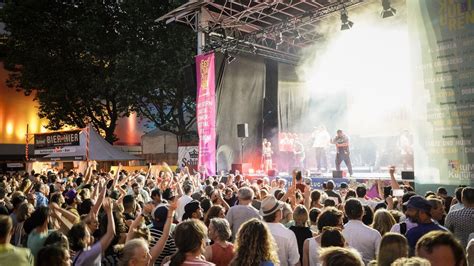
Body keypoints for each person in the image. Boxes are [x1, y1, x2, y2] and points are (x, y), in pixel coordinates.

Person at [68, 198, 116, 266]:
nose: (89, 232)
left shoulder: (76, 255)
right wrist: (109, 211)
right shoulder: (89, 254)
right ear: (84, 239)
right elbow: (110, 234)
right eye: (87, 231)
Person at [260, 196, 299, 266]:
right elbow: (295, 262)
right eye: (280, 208)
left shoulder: (256, 231)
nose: (282, 210)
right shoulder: (288, 234)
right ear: (278, 213)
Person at [342, 198, 381, 264]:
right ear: (362, 212)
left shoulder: (339, 232)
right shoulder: (374, 233)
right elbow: (380, 257)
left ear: (345, 213)